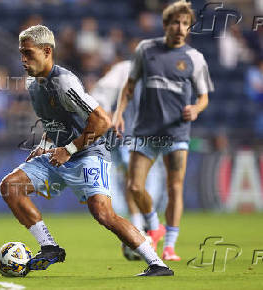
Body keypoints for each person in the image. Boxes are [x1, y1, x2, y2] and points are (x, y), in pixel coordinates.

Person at [0, 24, 173, 276]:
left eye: (28, 53)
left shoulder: (64, 82)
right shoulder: (33, 85)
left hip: (89, 152)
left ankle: (157, 263)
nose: (23, 59)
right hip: (60, 153)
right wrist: (44, 146)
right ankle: (50, 247)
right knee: (10, 186)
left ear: (47, 51)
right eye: (21, 53)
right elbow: (55, 124)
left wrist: (69, 149)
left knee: (103, 213)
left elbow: (102, 121)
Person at [113, 0, 213, 261]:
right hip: (145, 132)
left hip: (176, 134)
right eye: (176, 23)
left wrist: (197, 109)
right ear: (166, 24)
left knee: (175, 188)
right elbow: (129, 85)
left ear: (189, 28)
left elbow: (204, 97)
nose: (180, 28)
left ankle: (169, 246)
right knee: (135, 187)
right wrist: (118, 114)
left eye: (185, 24)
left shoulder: (195, 58)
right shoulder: (146, 50)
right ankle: (153, 225)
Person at [90, 58, 167, 235]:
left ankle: (143, 221)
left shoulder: (123, 69)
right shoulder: (133, 71)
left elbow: (100, 95)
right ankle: (143, 222)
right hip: (127, 135)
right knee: (132, 180)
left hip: (127, 135)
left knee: (132, 180)